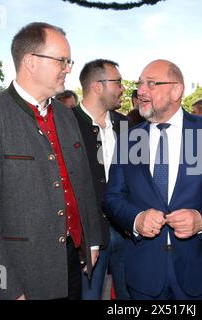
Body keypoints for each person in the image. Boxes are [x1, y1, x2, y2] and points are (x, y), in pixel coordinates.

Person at [0, 22, 104, 300]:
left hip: (73, 261)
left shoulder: (65, 115)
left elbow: (83, 183)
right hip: (23, 271)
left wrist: (92, 240)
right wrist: (5, 289)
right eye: (62, 60)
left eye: (69, 61)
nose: (68, 68)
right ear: (30, 62)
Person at [103, 59, 202, 300]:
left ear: (177, 90)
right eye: (140, 84)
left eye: (151, 83)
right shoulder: (129, 139)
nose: (141, 91)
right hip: (144, 274)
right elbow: (112, 197)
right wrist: (136, 220)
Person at [72, 59, 130, 299]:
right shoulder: (67, 123)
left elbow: (137, 177)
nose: (123, 88)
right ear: (97, 86)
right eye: (117, 82)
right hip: (88, 235)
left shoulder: (125, 124)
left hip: (126, 231)